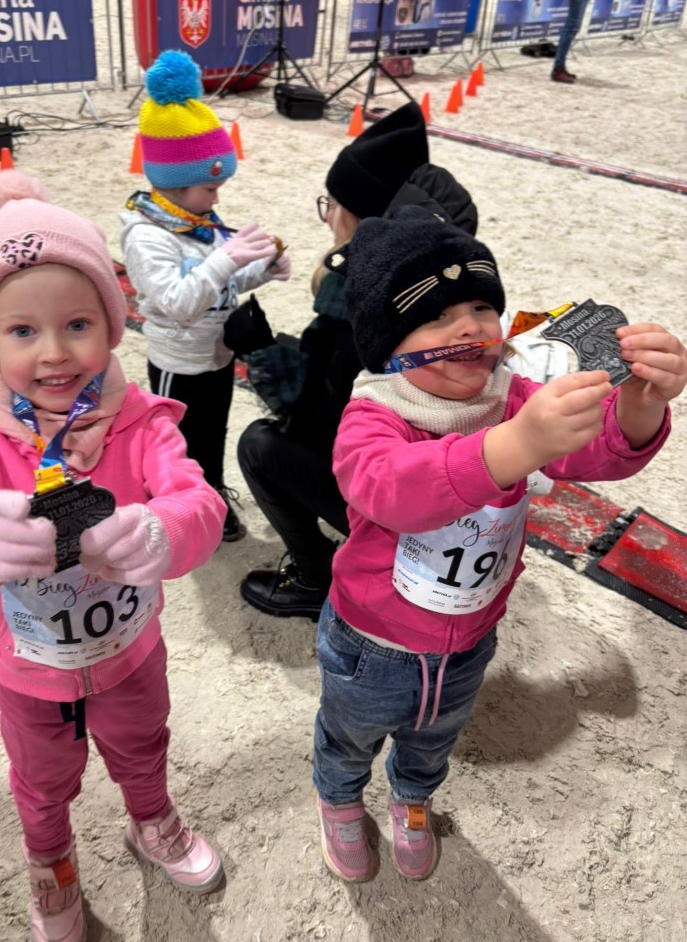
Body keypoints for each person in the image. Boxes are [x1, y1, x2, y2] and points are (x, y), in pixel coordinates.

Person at [313, 204, 686, 883]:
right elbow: (389, 488)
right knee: (348, 735)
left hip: (472, 635)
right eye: (435, 315)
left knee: (434, 739)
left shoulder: (511, 394)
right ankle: (338, 799)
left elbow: (595, 449)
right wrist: (514, 445)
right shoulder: (374, 414)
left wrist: (641, 403)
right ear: (389, 344)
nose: (470, 327)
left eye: (482, 306)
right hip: (372, 642)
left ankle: (412, 797)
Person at [0, 170, 229, 942]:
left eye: (78, 324)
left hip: (131, 653)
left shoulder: (144, 421)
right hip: (29, 670)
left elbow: (200, 505)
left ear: (113, 325)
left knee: (143, 744)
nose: (55, 353)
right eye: (22, 331)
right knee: (41, 777)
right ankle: (51, 864)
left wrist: (160, 531)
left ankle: (152, 820)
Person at [237, 101, 477, 621]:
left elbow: (311, 413)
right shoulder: (457, 276)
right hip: (458, 492)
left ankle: (314, 577)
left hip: (401, 507)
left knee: (258, 445)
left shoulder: (357, 299)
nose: (327, 215)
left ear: (356, 215)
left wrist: (256, 348)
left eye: (331, 204)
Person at [120, 49, 290, 542]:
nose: (217, 198)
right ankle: (182, 509)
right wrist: (225, 260)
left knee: (213, 434)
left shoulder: (198, 220)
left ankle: (211, 494)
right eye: (209, 188)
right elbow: (178, 301)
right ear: (173, 184)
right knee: (180, 445)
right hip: (179, 362)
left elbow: (223, 285)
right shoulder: (148, 236)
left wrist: (261, 269)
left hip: (216, 354)